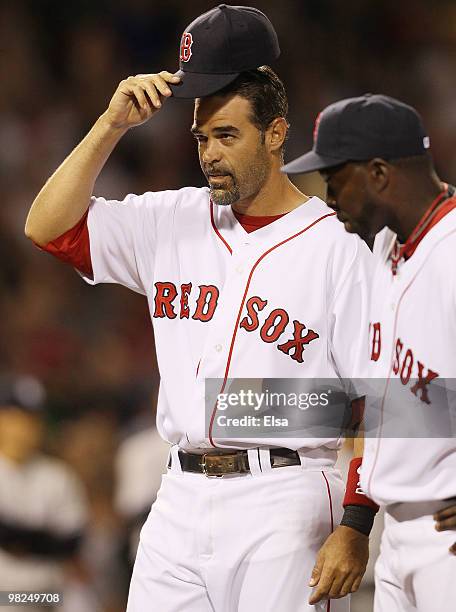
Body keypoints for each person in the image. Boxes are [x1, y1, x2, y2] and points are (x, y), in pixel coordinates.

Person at [25, 6, 376, 610]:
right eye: (201, 138)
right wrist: (110, 126)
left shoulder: (338, 246)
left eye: (227, 136)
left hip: (286, 498)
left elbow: (378, 402)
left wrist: (355, 524)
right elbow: (46, 226)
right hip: (178, 497)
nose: (209, 154)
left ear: (274, 132)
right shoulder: (170, 218)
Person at [282, 93, 456, 611]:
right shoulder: (385, 247)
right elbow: (381, 406)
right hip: (396, 537)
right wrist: (357, 523)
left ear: (378, 172)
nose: (327, 196)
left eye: (336, 180)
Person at [0, 375, 90, 612]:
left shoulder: (58, 476)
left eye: (32, 419)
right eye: (16, 418)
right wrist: (43, 539)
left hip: (48, 597)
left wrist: (17, 538)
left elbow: (72, 543)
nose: (24, 428)